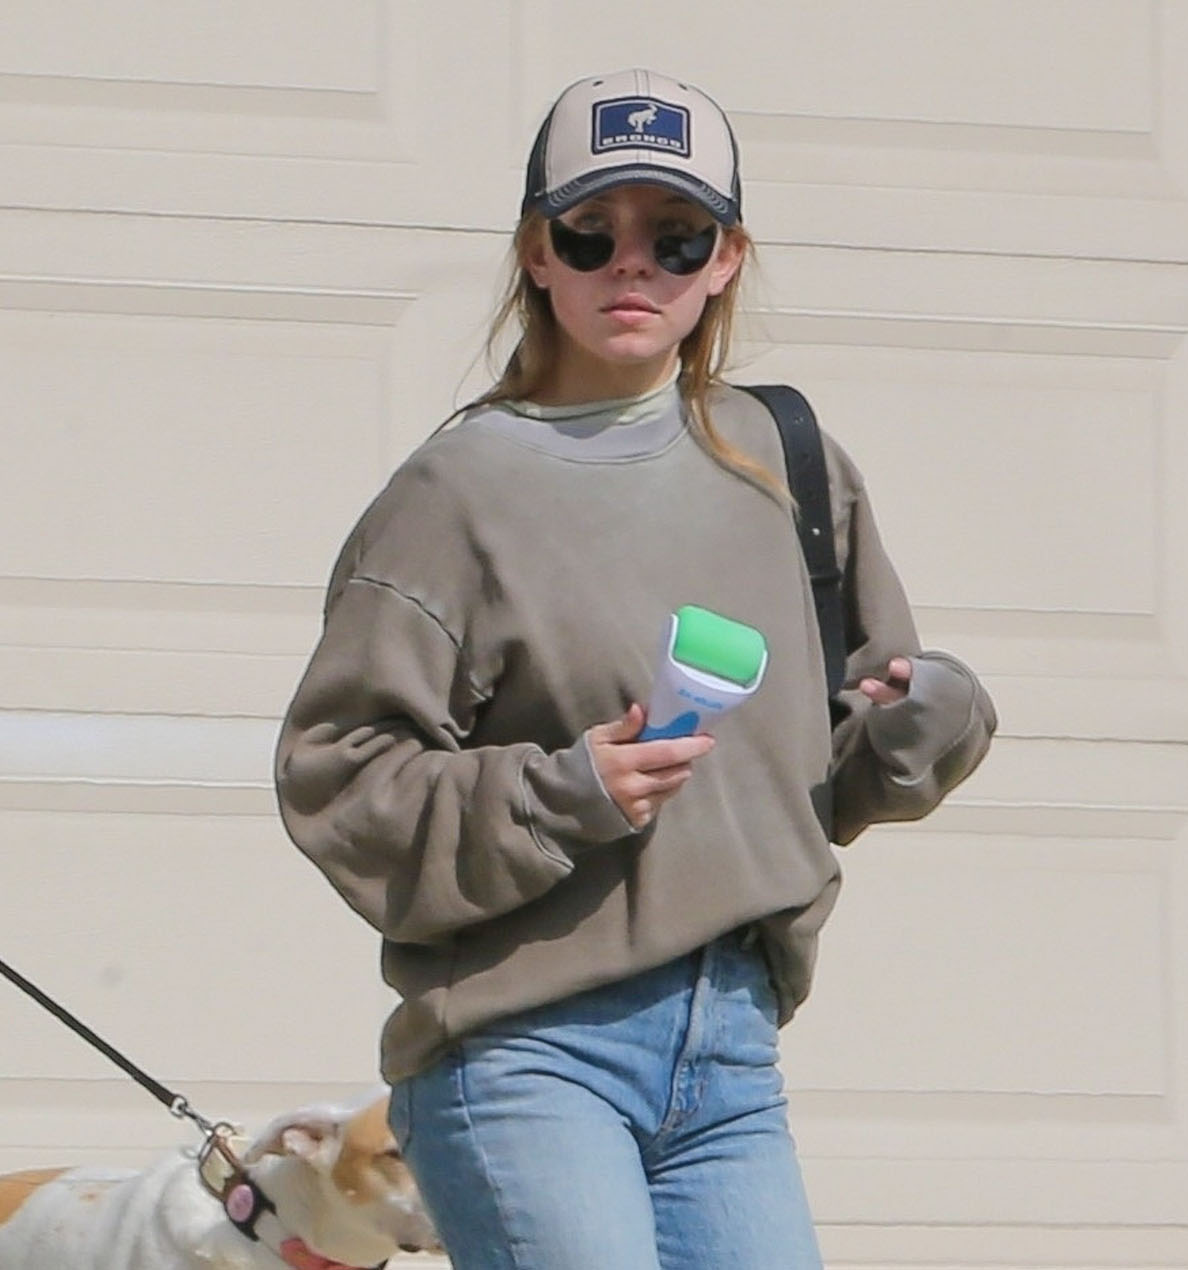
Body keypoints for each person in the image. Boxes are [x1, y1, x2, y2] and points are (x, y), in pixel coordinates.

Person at [275, 67, 997, 1270]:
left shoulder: (791, 461)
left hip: (734, 1050)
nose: (632, 265)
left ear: (725, 259)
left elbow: (828, 770)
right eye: (590, 232)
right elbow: (338, 777)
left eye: (676, 236)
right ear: (536, 253)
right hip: (527, 1051)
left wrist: (936, 717)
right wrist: (567, 791)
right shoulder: (458, 493)